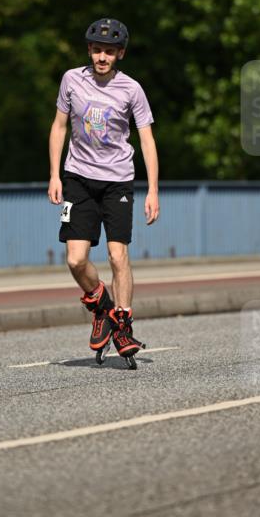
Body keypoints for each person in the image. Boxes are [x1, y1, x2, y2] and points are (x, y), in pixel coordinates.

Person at [48, 18, 160, 368]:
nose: (102, 57)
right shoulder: (71, 80)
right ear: (89, 50)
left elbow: (147, 140)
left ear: (120, 54)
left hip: (117, 182)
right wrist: (54, 175)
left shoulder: (132, 89)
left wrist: (153, 189)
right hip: (78, 178)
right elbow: (59, 126)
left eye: (109, 52)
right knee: (75, 260)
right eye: (97, 50)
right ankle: (101, 306)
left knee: (117, 255)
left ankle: (122, 324)